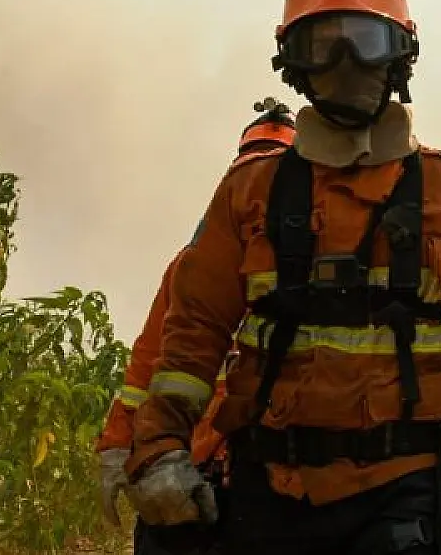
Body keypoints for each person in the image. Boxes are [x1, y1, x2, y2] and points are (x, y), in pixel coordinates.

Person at [120, 0, 441, 555]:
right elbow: (192, 333)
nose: (345, 65)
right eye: (323, 46)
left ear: (400, 56)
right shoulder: (250, 192)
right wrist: (161, 450)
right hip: (266, 488)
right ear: (293, 64)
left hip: (406, 488)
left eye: (364, 44)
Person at [96, 98, 296, 554]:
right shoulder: (193, 264)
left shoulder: (319, 266)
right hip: (196, 471)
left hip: (259, 474)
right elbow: (148, 363)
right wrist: (116, 446)